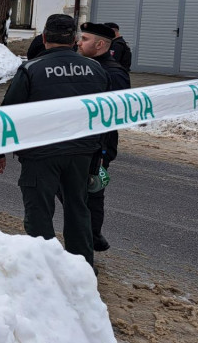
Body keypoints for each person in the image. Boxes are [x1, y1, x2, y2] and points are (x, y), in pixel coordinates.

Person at [0, 14, 109, 268]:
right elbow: (105, 114)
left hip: (40, 154)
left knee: (39, 214)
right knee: (78, 210)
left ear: (44, 38)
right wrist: (99, 151)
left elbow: (8, 114)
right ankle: (81, 272)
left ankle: (44, 273)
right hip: (82, 153)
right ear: (75, 40)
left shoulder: (32, 69)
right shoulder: (96, 69)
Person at [77, 22, 131, 252]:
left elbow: (116, 113)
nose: (79, 42)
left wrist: (101, 149)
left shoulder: (113, 72)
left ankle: (92, 237)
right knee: (78, 192)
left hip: (99, 146)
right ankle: (89, 235)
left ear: (100, 44)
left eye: (85, 39)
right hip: (83, 142)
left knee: (93, 192)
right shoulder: (86, 66)